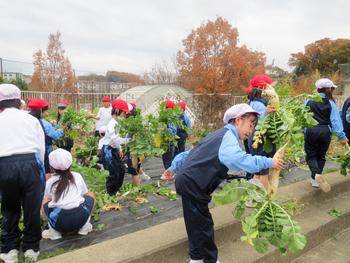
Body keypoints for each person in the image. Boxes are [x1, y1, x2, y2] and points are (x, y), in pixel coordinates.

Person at [164, 103, 283, 263]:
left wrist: (173, 167)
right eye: (251, 124)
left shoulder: (219, 134)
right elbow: (239, 159)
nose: (252, 129)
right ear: (238, 120)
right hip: (194, 184)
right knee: (203, 225)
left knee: (195, 222)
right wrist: (269, 162)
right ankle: (210, 260)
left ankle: (196, 258)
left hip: (189, 182)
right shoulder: (227, 137)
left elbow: (191, 152)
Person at [0, 84, 45, 263]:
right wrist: (39, 168)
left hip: (4, 165)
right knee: (31, 208)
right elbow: (40, 149)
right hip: (29, 164)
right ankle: (31, 247)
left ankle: (9, 249)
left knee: (9, 208)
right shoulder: (30, 119)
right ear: (19, 101)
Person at [41, 148, 95, 240]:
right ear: (70, 165)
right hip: (80, 218)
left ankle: (54, 232)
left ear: (51, 167)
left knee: (44, 200)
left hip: (59, 222)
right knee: (91, 195)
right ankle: (84, 226)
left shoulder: (50, 181)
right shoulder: (77, 176)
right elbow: (85, 193)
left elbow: (48, 199)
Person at [305, 78, 348, 192]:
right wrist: (341, 136)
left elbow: (303, 117)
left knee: (311, 155)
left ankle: (315, 176)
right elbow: (335, 121)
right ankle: (317, 176)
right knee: (321, 155)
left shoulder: (309, 100)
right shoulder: (330, 103)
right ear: (329, 90)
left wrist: (303, 131)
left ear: (317, 89)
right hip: (325, 131)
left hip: (311, 130)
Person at [246, 74, 277, 189]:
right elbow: (258, 121)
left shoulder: (253, 102)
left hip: (255, 138)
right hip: (260, 139)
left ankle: (251, 198)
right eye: (269, 88)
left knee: (258, 173)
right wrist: (266, 113)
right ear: (262, 89)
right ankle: (268, 200)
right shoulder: (259, 105)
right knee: (263, 174)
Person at [101, 99, 130, 195]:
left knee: (121, 170)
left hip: (113, 149)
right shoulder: (112, 123)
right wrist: (128, 141)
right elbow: (115, 139)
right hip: (108, 151)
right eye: (123, 112)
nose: (124, 115)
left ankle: (116, 190)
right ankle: (111, 193)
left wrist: (119, 149)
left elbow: (118, 138)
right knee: (112, 173)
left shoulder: (117, 123)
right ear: (117, 111)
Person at [28, 99, 64, 174]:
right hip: (45, 149)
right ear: (41, 111)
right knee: (46, 170)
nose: (47, 113)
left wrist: (54, 125)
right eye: (46, 111)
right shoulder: (44, 123)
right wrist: (62, 129)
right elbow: (55, 135)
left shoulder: (28, 119)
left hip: (31, 151)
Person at [161, 100, 177, 169]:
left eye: (166, 107)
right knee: (165, 158)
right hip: (164, 142)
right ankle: (168, 173)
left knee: (169, 159)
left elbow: (173, 131)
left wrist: (164, 129)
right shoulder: (163, 117)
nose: (164, 109)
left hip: (169, 142)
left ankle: (170, 174)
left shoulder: (171, 118)